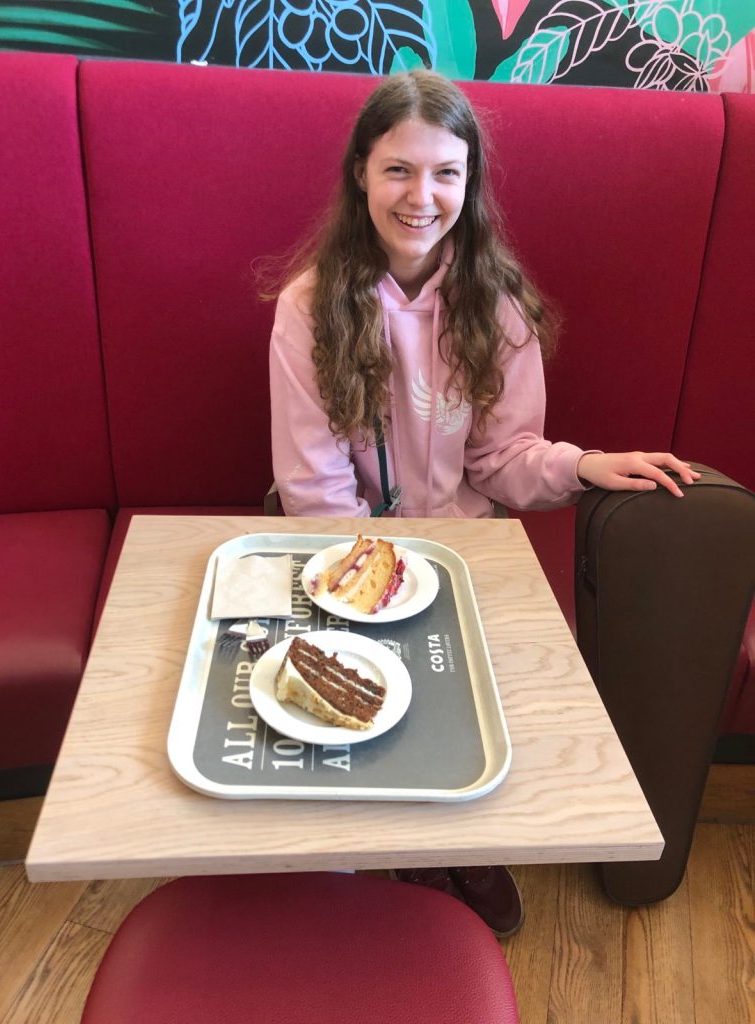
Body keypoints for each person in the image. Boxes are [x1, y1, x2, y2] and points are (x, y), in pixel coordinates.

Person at [267, 70, 699, 937]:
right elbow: (316, 490)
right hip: (343, 553)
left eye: (445, 173)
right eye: (398, 169)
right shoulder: (307, 307)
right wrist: (381, 585)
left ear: (470, 182)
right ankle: (401, 845)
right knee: (368, 687)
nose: (421, 196)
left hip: (465, 549)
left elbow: (503, 459)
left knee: (489, 697)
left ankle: (459, 835)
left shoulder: (495, 307)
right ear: (361, 172)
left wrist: (585, 465)